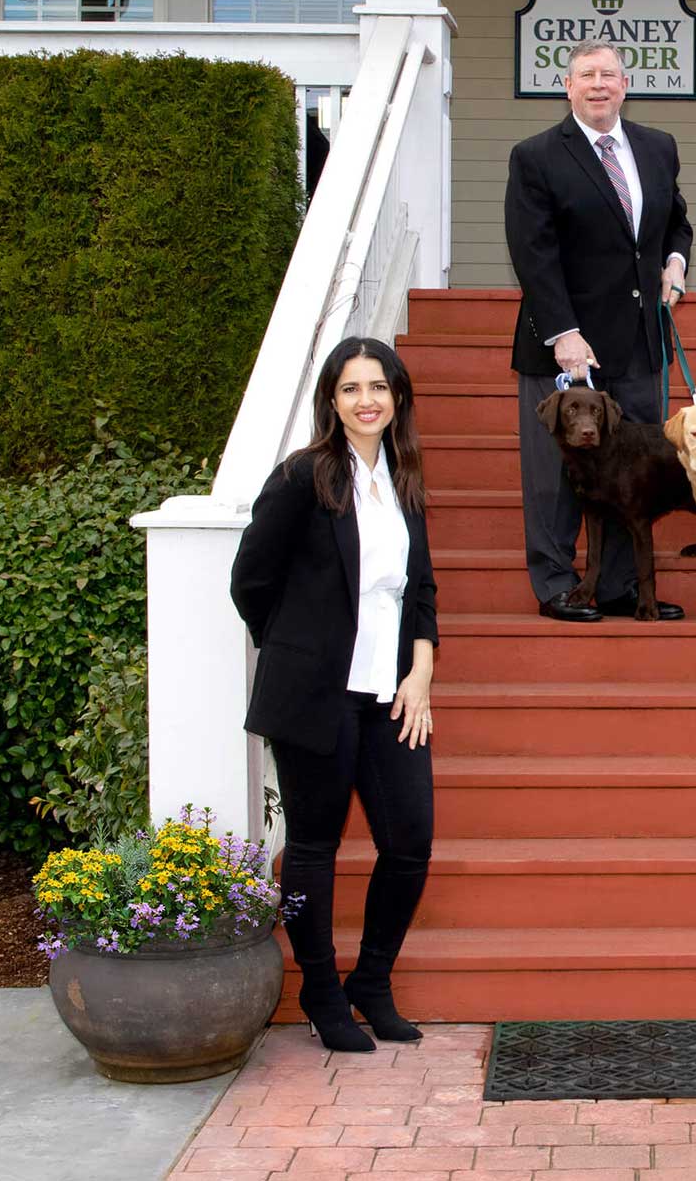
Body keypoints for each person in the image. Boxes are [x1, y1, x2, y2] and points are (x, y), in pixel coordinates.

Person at [230, 336, 439, 1053]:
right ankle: (320, 989)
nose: (366, 400)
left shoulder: (404, 477)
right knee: (315, 845)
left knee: (409, 840)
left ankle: (370, 983)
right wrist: (297, 649)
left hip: (392, 693)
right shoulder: (303, 476)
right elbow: (250, 581)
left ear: (398, 397)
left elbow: (422, 590)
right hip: (317, 696)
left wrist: (422, 674)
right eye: (350, 388)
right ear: (331, 399)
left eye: (378, 386)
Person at [505, 38, 695, 623]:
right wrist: (561, 331)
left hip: (639, 340)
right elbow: (532, 252)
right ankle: (559, 585)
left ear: (624, 85)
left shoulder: (657, 148)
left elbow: (676, 223)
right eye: (585, 74)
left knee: (630, 473)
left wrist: (675, 265)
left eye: (608, 74)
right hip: (567, 345)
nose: (598, 84)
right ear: (567, 87)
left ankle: (617, 587)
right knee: (557, 477)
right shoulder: (536, 155)